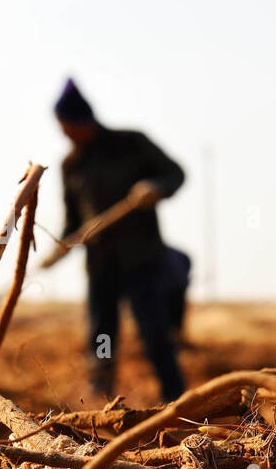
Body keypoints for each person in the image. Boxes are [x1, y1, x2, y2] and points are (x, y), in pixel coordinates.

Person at [54, 78, 187, 402]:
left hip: (142, 261)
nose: (66, 132)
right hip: (101, 266)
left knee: (154, 333)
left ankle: (176, 401)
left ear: (83, 121)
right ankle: (102, 399)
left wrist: (154, 188)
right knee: (102, 337)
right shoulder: (71, 165)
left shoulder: (132, 143)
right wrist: (61, 245)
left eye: (69, 125)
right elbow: (73, 220)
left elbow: (175, 174)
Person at [163, 244, 192, 348]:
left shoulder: (160, 255)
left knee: (171, 315)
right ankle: (176, 338)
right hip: (178, 287)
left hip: (173, 289)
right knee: (176, 315)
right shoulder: (179, 254)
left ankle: (174, 339)